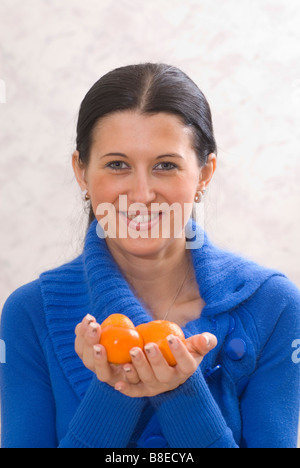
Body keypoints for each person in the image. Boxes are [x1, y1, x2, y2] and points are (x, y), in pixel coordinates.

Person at [1, 63, 300, 448]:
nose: (141, 194)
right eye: (117, 165)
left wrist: (183, 395)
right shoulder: (29, 313)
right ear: (82, 171)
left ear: (204, 174)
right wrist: (118, 390)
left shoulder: (272, 307)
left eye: (165, 166)